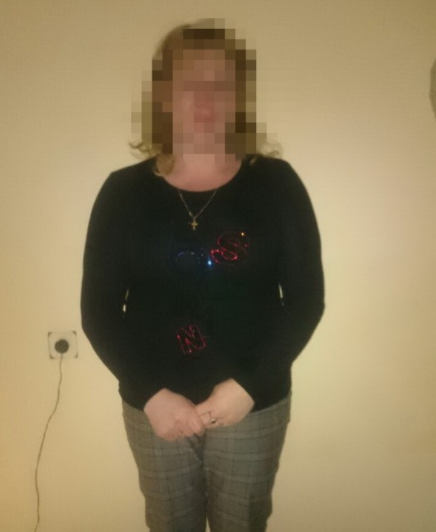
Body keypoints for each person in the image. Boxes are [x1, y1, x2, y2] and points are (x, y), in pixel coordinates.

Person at [81, 18, 325, 532]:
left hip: (252, 404)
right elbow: (99, 310)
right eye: (190, 83)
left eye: (221, 83)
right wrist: (150, 393)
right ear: (164, 95)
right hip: (155, 408)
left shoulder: (277, 184)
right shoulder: (123, 193)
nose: (206, 98)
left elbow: (306, 299)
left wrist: (249, 386)